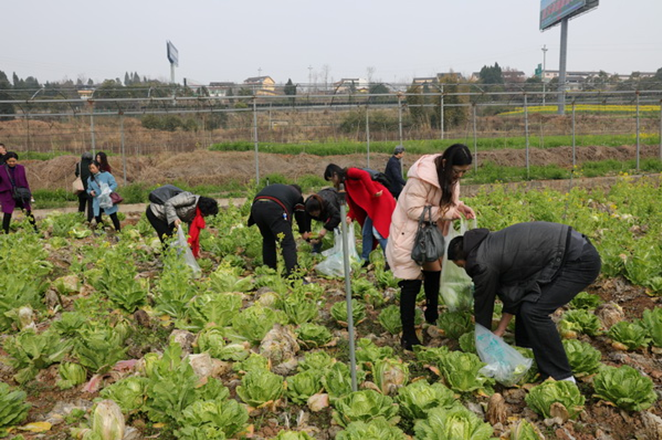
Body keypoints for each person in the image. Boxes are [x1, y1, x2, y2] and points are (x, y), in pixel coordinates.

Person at [447, 221, 601, 383]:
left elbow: (483, 302)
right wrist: (500, 330)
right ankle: (526, 349)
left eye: (461, 266)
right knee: (526, 304)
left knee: (534, 311)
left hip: (578, 260)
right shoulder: (490, 244)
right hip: (568, 251)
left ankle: (562, 377)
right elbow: (514, 295)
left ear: (464, 258)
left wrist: (482, 336)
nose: (464, 270)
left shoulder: (481, 262)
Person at [385, 143, 475, 350]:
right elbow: (412, 209)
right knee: (410, 281)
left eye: (464, 172)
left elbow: (445, 201)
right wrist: (444, 214)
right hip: (408, 232)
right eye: (457, 171)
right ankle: (408, 336)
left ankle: (431, 315)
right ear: (445, 163)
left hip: (429, 233)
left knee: (434, 271)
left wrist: (459, 206)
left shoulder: (449, 176)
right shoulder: (422, 177)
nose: (460, 176)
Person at [324, 164, 395, 266]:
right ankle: (365, 259)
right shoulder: (345, 184)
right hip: (373, 205)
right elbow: (354, 203)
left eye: (331, 179)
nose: (333, 182)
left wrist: (373, 192)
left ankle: (390, 260)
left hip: (380, 199)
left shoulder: (350, 172)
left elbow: (364, 175)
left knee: (378, 231)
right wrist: (350, 216)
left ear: (335, 174)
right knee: (366, 232)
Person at [248, 183, 308, 276]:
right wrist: (303, 231)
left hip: (257, 208)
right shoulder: (297, 196)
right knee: (287, 243)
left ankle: (269, 271)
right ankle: (294, 275)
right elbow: (300, 214)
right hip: (275, 208)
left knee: (268, 240)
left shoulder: (281, 189)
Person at [146, 189, 219, 257]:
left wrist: (193, 246)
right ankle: (169, 263)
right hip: (156, 213)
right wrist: (174, 218)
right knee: (168, 239)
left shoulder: (197, 213)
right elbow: (169, 203)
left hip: (168, 217)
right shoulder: (189, 198)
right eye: (208, 214)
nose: (206, 216)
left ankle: (175, 260)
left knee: (175, 239)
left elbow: (192, 228)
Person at [0, 152, 38, 233]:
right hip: (7, 193)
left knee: (27, 210)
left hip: (21, 192)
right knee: (7, 213)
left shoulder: (21, 168)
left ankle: (35, 230)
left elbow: (25, 181)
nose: (12, 163)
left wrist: (29, 194)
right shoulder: (1, 169)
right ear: (6, 161)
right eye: (10, 161)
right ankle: (5, 232)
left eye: (14, 161)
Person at [86, 160, 121, 232]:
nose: (92, 170)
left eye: (93, 168)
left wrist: (108, 190)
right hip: (97, 201)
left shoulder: (106, 175)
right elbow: (88, 189)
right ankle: (102, 232)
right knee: (98, 217)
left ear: (98, 167)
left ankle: (118, 230)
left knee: (113, 216)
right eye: (90, 168)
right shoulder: (90, 179)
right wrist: (91, 192)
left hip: (107, 199)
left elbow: (114, 184)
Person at [303, 187, 341, 253]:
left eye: (316, 213)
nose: (315, 215)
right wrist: (309, 238)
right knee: (318, 231)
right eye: (312, 214)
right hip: (323, 208)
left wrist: (326, 228)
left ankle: (339, 247)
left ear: (320, 208)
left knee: (335, 227)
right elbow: (306, 223)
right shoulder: (307, 208)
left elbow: (337, 216)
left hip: (334, 197)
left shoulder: (327, 203)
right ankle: (315, 250)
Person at [75, 152, 94, 222]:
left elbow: (77, 174)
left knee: (81, 205)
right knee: (91, 205)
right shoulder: (92, 165)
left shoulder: (79, 164)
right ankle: (90, 219)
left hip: (81, 188)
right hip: (90, 188)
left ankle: (80, 219)